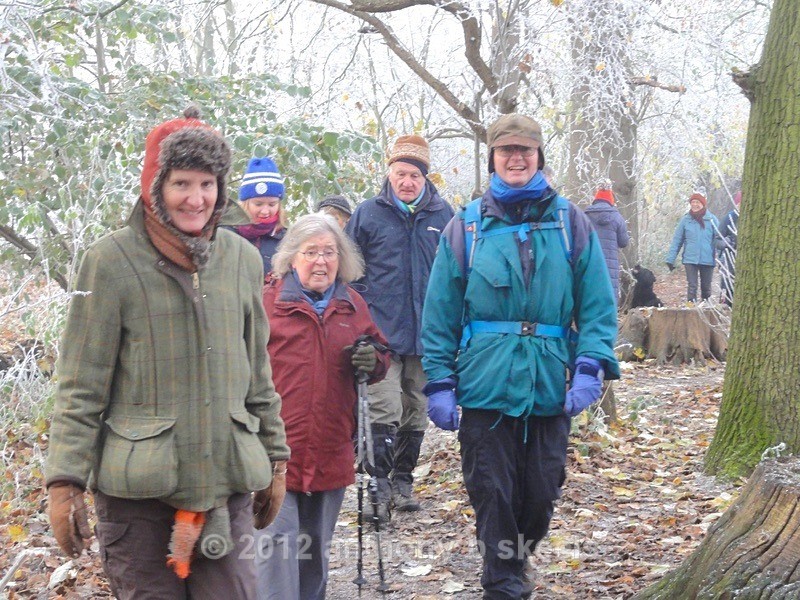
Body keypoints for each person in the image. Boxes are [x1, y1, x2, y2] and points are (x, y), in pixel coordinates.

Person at [44, 106, 290, 598]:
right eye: (181, 183)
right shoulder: (109, 262)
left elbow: (256, 370)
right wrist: (64, 480)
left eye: (207, 183)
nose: (196, 199)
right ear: (156, 187)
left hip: (226, 482)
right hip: (138, 497)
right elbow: (81, 381)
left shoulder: (241, 258)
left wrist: (276, 458)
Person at [421, 113, 619, 599]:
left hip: (549, 380)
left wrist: (591, 365)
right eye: (506, 150)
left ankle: (516, 559)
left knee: (541, 492)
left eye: (525, 150)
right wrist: (440, 382)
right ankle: (503, 580)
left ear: (539, 157)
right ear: (492, 158)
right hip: (485, 380)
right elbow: (439, 312)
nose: (516, 158)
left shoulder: (571, 221)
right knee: (491, 488)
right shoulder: (465, 226)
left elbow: (597, 304)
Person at [255, 214, 391, 600]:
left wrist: (372, 360)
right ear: (291, 258)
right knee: (276, 559)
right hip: (274, 456)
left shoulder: (352, 305)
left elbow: (380, 355)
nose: (320, 261)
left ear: (341, 258)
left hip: (331, 452)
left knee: (313, 557)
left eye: (329, 252)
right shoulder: (268, 303)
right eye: (310, 251)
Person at [345, 135, 454, 521]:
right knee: (383, 406)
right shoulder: (368, 214)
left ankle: (403, 480)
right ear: (389, 173)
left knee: (415, 407)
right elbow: (350, 273)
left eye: (414, 174)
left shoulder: (445, 218)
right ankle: (377, 486)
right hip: (381, 334)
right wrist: (359, 321)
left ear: (425, 177)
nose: (406, 181)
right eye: (400, 173)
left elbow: (457, 277)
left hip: (429, 335)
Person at [234, 156, 288, 277]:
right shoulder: (228, 234)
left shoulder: (287, 239)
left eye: (272, 204)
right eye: (258, 204)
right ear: (245, 204)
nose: (265, 211)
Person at [666, 192, 720, 303]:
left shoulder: (712, 220)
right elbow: (677, 240)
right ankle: (691, 311)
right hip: (690, 259)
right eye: (693, 202)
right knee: (692, 287)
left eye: (697, 202)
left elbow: (719, 239)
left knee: (706, 288)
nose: (695, 205)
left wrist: (722, 259)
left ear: (703, 204)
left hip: (707, 259)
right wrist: (670, 259)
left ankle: (706, 310)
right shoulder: (685, 220)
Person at [584, 181, 630, 301]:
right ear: (611, 199)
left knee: (589, 298)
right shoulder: (617, 217)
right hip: (610, 266)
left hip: (590, 265)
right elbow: (624, 242)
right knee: (609, 298)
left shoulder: (585, 217)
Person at [717, 190, 740, 306]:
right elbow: (717, 239)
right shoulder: (729, 218)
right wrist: (727, 243)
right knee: (730, 285)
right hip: (730, 258)